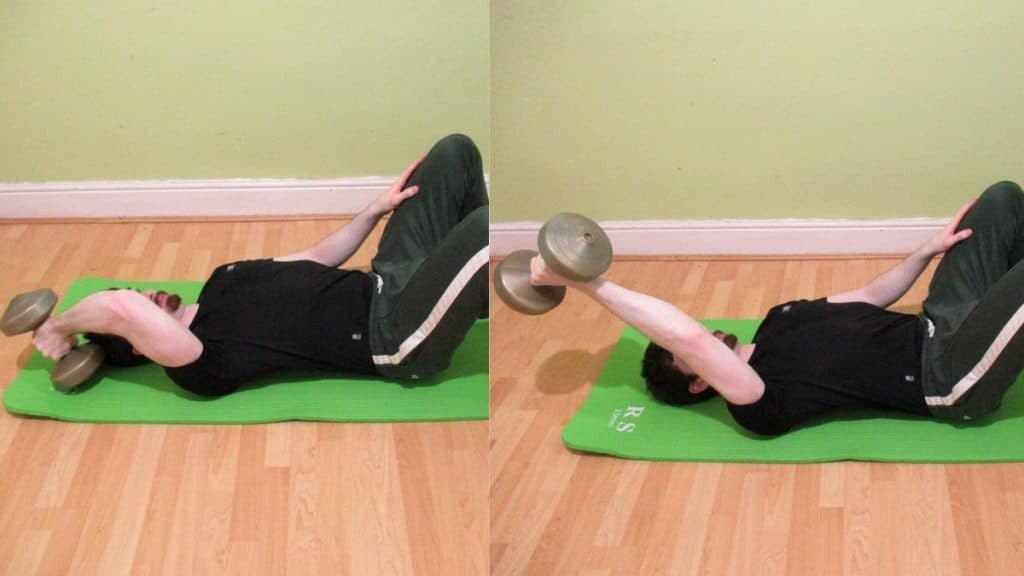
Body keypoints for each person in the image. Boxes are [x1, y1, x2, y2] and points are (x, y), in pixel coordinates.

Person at [529, 181, 1024, 436]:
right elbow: (691, 339)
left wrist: (926, 251)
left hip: (938, 321)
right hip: (949, 375)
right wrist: (585, 281)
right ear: (701, 380)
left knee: (1001, 201)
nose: (696, 333)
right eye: (682, 354)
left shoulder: (779, 317)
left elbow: (873, 295)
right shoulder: (759, 403)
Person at [31, 134, 489, 396]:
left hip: (385, 279)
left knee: (455, 154)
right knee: (486, 228)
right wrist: (58, 328)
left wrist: (374, 210)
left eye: (133, 289)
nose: (141, 293)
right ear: (138, 345)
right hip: (395, 335)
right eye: (133, 301)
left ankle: (477, 297)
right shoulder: (200, 362)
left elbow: (313, 257)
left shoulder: (220, 281)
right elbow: (123, 310)